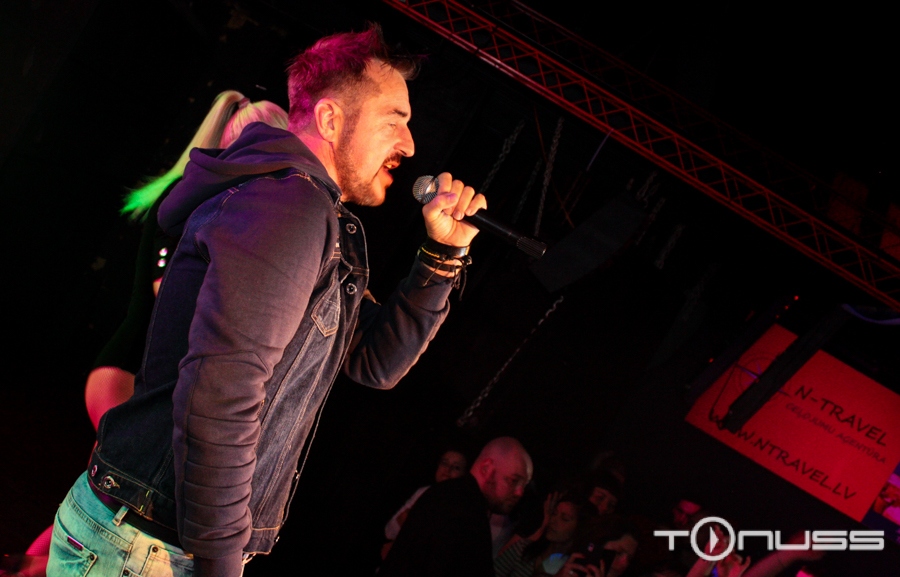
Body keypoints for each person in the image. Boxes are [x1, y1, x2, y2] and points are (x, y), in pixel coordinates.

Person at [46, 23, 487, 577]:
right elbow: (221, 396)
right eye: (394, 120)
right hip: (150, 549)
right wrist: (221, 565)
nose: (410, 144)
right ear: (331, 119)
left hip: (154, 543)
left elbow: (376, 362)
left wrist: (441, 256)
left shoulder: (309, 213)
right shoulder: (286, 208)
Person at [0, 91, 287, 577]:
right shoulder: (190, 199)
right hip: (124, 372)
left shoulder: (213, 199)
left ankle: (28, 565)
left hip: (126, 370)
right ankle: (31, 567)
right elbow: (165, 291)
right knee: (112, 495)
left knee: (100, 495)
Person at [378, 436, 533, 576]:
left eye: (524, 485)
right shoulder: (466, 513)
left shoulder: (449, 495)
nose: (519, 492)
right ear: (486, 468)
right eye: (513, 481)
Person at [381, 448, 469, 558]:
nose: (448, 469)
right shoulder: (423, 492)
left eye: (456, 467)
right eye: (444, 463)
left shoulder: (460, 506)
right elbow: (390, 530)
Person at [494, 494, 583, 577]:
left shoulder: (570, 569)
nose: (553, 520)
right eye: (554, 513)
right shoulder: (523, 548)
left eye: (565, 519)